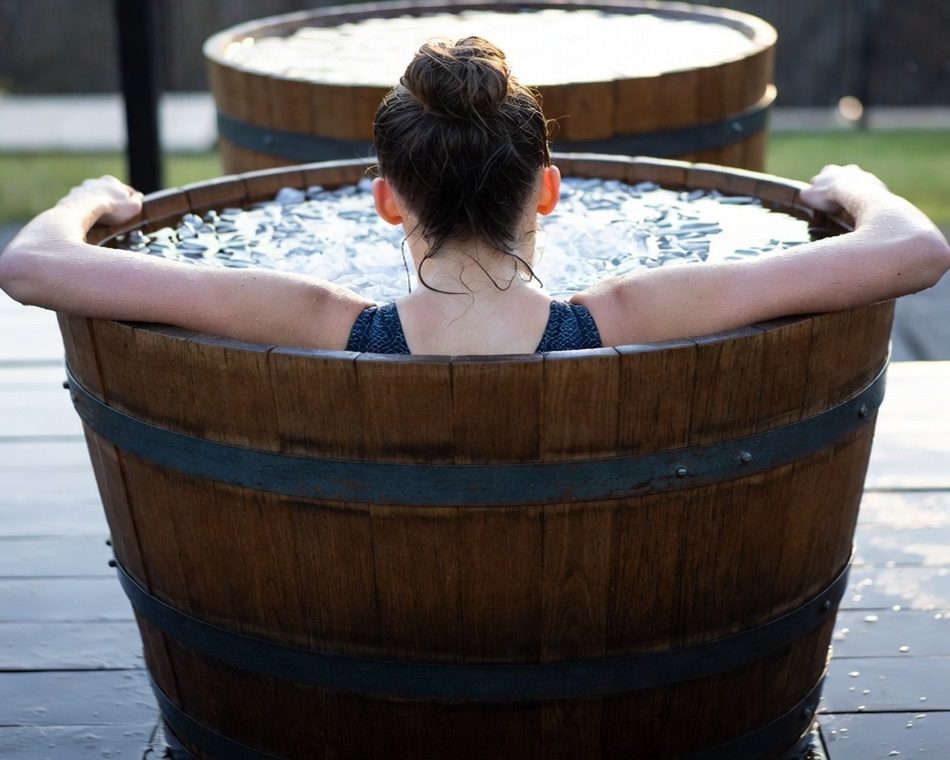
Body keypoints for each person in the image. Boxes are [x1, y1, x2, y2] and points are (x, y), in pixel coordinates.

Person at [1, 37, 948, 355]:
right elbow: (917, 252)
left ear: (384, 201)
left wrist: (89, 198)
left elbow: (32, 266)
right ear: (548, 191)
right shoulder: (622, 313)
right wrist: (852, 183)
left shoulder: (322, 320)